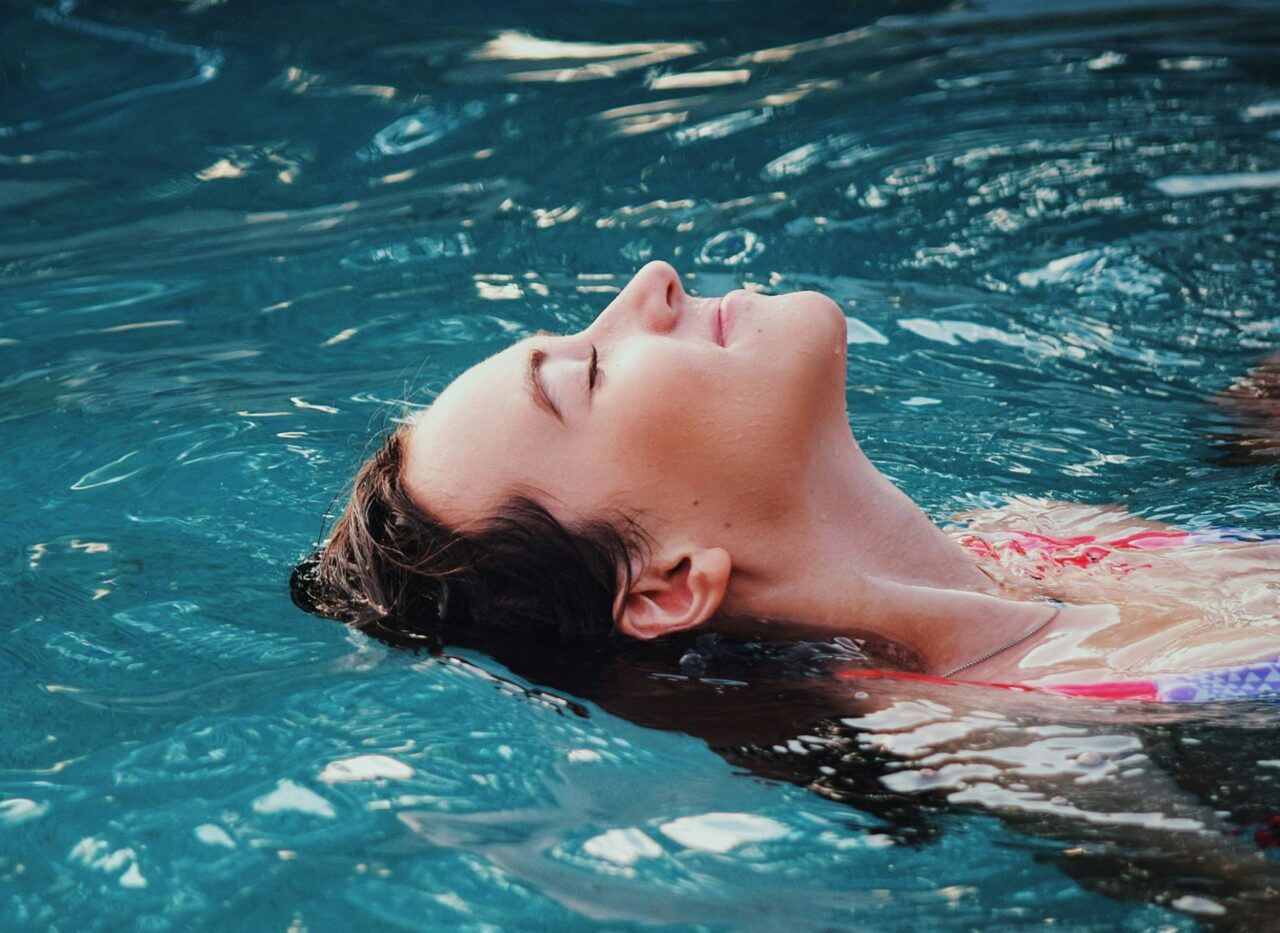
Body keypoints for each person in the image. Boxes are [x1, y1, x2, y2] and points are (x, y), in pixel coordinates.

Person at [293, 260, 1280, 691]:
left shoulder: (1041, 534)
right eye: (587, 374)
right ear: (670, 584)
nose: (650, 283)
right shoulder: (1028, 735)